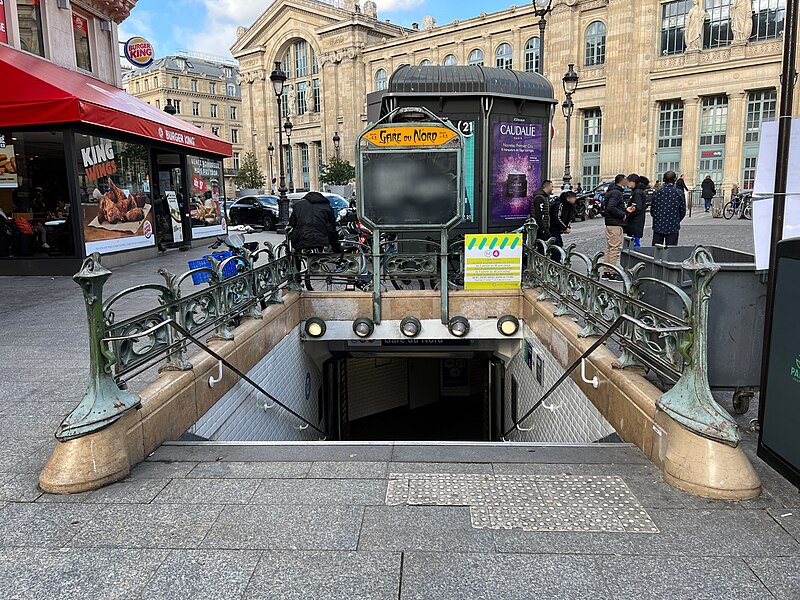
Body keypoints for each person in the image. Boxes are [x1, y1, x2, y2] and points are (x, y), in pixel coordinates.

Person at [603, 174, 628, 281]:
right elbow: (611, 207)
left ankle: (607, 270)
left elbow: (605, 206)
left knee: (609, 248)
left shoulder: (611, 191)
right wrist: (623, 215)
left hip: (610, 223)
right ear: (622, 181)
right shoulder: (616, 193)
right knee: (614, 249)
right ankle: (611, 273)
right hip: (615, 223)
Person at [650, 170, 686, 246]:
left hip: (658, 224)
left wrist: (657, 218)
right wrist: (676, 220)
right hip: (673, 225)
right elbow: (682, 210)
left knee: (656, 250)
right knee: (671, 250)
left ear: (663, 180)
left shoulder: (657, 192)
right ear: (675, 180)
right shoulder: (678, 192)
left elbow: (652, 210)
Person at [625, 173, 647, 248]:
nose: (627, 184)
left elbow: (637, 208)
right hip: (635, 223)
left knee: (634, 245)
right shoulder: (636, 191)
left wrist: (628, 215)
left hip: (635, 223)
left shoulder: (637, 192)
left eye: (629, 182)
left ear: (633, 182)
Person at [531, 179, 554, 244]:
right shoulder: (539, 198)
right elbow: (538, 215)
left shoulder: (544, 197)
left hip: (543, 226)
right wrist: (543, 229)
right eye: (552, 186)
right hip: (541, 228)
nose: (552, 189)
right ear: (548, 186)